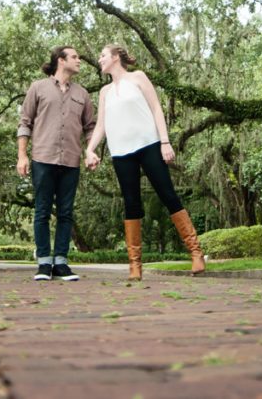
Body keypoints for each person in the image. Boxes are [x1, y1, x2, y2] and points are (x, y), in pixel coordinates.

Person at [85, 44, 205, 281]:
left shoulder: (138, 77)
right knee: (131, 204)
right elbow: (101, 125)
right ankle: (135, 265)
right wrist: (90, 149)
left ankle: (196, 253)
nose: (99, 60)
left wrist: (165, 141)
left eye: (103, 55)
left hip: (149, 145)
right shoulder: (105, 91)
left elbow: (156, 108)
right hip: (120, 152)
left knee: (168, 194)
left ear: (116, 57)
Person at [17, 46, 96, 281]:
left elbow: (91, 127)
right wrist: (22, 155)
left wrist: (90, 152)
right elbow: (24, 122)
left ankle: (61, 263)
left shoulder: (82, 94)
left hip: (71, 161)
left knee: (66, 213)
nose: (79, 60)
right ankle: (43, 263)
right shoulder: (38, 88)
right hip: (43, 158)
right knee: (41, 212)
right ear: (61, 61)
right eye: (75, 57)